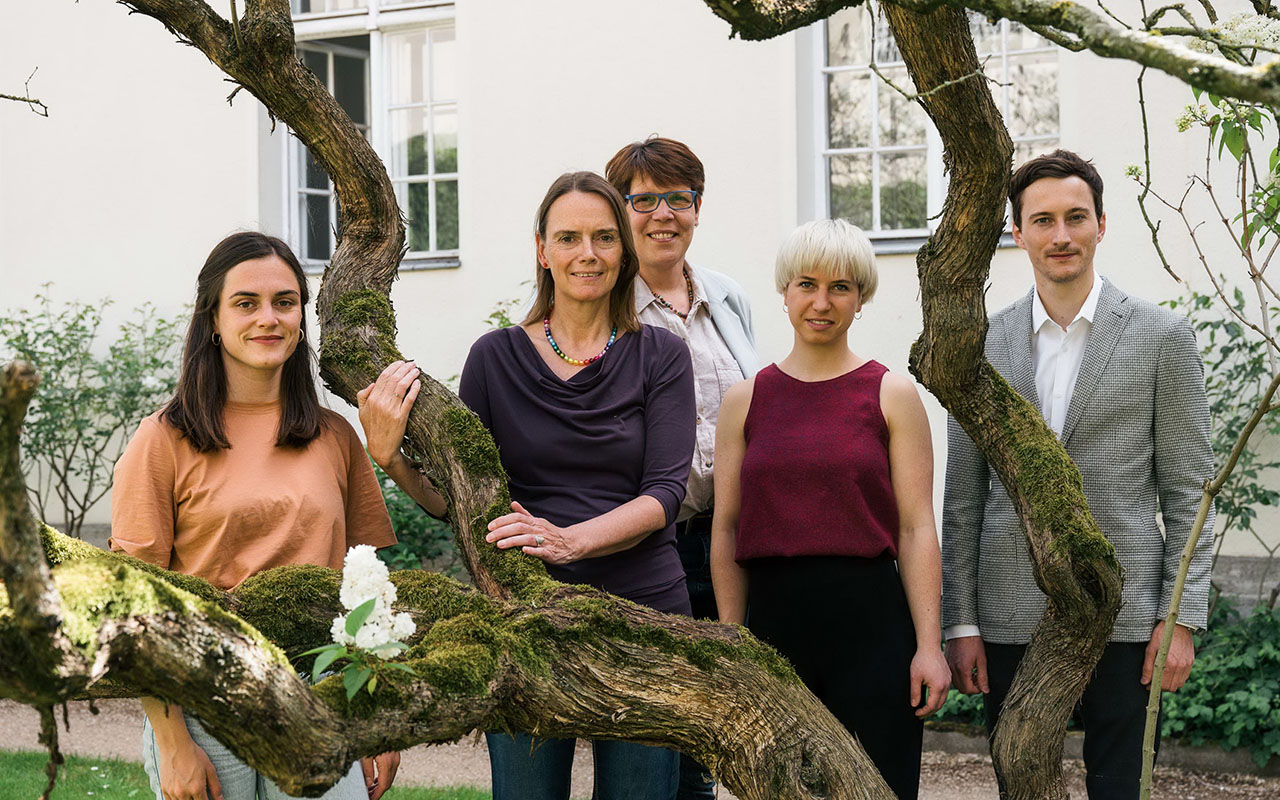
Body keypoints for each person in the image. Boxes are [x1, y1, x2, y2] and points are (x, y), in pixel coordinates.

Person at [358, 171, 696, 800]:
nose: (587, 254)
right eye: (568, 238)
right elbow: (455, 498)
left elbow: (663, 497)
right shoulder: (494, 357)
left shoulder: (662, 355)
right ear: (541, 249)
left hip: (643, 616)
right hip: (521, 612)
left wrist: (569, 541)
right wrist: (392, 460)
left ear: (623, 249)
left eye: (602, 237)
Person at [941, 149, 1215, 800]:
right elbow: (962, 500)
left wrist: (1180, 620)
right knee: (1022, 782)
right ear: (1018, 233)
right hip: (1011, 611)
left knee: (1121, 786)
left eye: (1075, 217)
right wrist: (963, 622)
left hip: (1125, 610)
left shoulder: (1163, 337)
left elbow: (1187, 493)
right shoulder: (979, 347)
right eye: (1042, 221)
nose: (1060, 235)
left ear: (1099, 225)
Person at [110, 232, 401, 800]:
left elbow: (368, 588)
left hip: (325, 693)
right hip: (204, 702)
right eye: (246, 303)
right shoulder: (163, 441)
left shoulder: (334, 436)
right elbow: (135, 606)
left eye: (284, 302)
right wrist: (172, 745)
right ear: (213, 320)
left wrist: (379, 715)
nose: (268, 319)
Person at [711, 218, 950, 800]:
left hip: (871, 629)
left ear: (861, 297)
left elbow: (918, 528)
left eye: (841, 287)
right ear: (784, 291)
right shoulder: (745, 400)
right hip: (771, 632)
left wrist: (928, 645)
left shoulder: (890, 393)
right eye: (807, 284)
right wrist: (731, 642)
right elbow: (726, 528)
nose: (822, 302)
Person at [604, 136, 757, 800]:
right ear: (619, 210)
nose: (662, 214)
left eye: (678, 197)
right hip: (647, 550)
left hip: (733, 548)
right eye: (643, 199)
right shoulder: (605, 309)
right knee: (647, 742)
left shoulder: (727, 297)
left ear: (698, 206)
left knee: (715, 731)